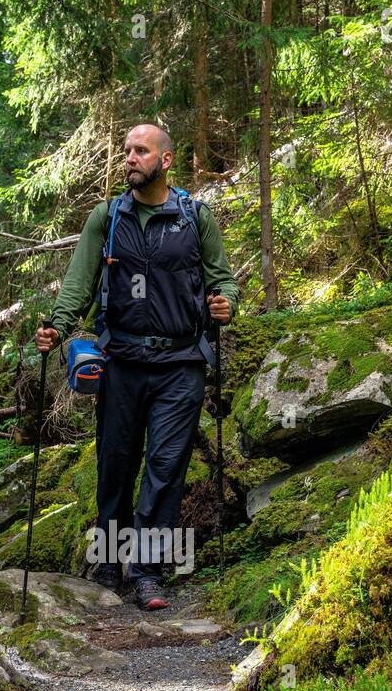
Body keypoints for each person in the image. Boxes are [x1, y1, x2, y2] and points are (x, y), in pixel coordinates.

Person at [35, 123, 239, 611]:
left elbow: (224, 281)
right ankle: (109, 565)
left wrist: (226, 304)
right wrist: (56, 329)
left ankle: (147, 573)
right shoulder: (106, 218)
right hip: (121, 361)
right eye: (126, 151)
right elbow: (78, 285)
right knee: (115, 466)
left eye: (140, 151)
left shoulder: (194, 217)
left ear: (165, 160)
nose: (129, 158)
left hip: (181, 363)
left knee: (166, 468)